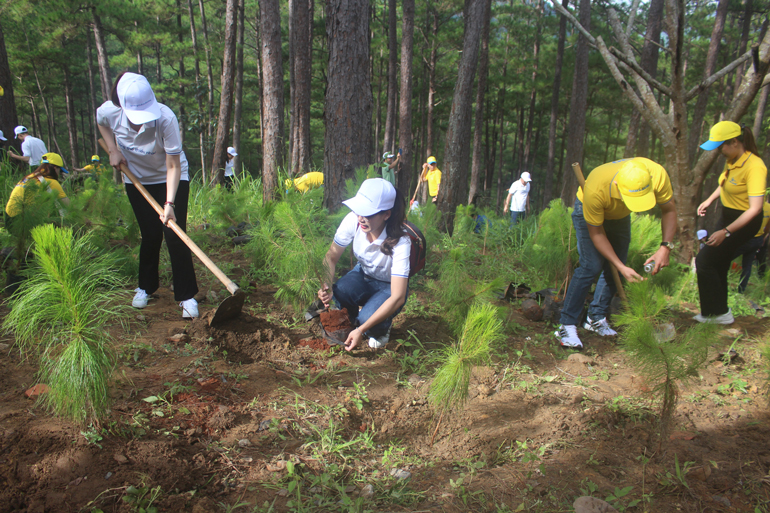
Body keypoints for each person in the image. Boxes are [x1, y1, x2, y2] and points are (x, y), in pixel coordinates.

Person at [97, 72, 199, 319]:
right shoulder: (109, 112)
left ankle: (187, 295)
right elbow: (101, 123)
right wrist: (112, 149)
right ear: (121, 105)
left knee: (175, 234)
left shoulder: (166, 119)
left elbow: (173, 165)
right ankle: (146, 286)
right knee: (150, 234)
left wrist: (169, 203)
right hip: (136, 179)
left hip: (170, 178)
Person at [555, 158, 677, 349]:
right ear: (617, 185)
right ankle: (566, 324)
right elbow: (596, 234)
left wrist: (665, 247)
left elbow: (669, 209)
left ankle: (595, 318)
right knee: (591, 265)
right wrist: (620, 265)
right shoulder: (597, 188)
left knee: (619, 266)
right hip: (590, 209)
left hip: (619, 214)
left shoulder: (657, 174)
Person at [318, 178, 410, 351]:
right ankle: (354, 321)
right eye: (359, 210)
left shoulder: (401, 241)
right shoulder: (354, 220)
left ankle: (379, 328)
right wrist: (326, 285)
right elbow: (331, 257)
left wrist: (362, 329)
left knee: (367, 321)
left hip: (390, 285)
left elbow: (397, 296)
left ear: (386, 214)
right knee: (339, 290)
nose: (361, 218)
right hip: (364, 274)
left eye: (368, 214)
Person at [695, 122, 766, 323]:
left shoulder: (755, 167)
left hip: (745, 221)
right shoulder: (733, 159)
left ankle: (715, 313)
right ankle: (718, 312)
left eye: (720, 146)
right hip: (728, 216)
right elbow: (726, 184)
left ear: (734, 142)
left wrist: (725, 232)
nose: (718, 151)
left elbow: (755, 208)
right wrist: (709, 200)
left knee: (704, 261)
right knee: (718, 261)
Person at [5, 152, 70, 229]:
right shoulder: (51, 181)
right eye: (60, 171)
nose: (59, 174)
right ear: (55, 168)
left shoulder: (29, 177)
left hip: (9, 219)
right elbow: (68, 206)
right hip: (21, 221)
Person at [731, 201, 770, 293]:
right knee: (747, 265)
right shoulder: (768, 207)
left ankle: (719, 283)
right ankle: (741, 290)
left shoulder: (751, 204)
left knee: (725, 258)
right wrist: (763, 238)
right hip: (758, 239)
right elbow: (767, 228)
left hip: (747, 238)